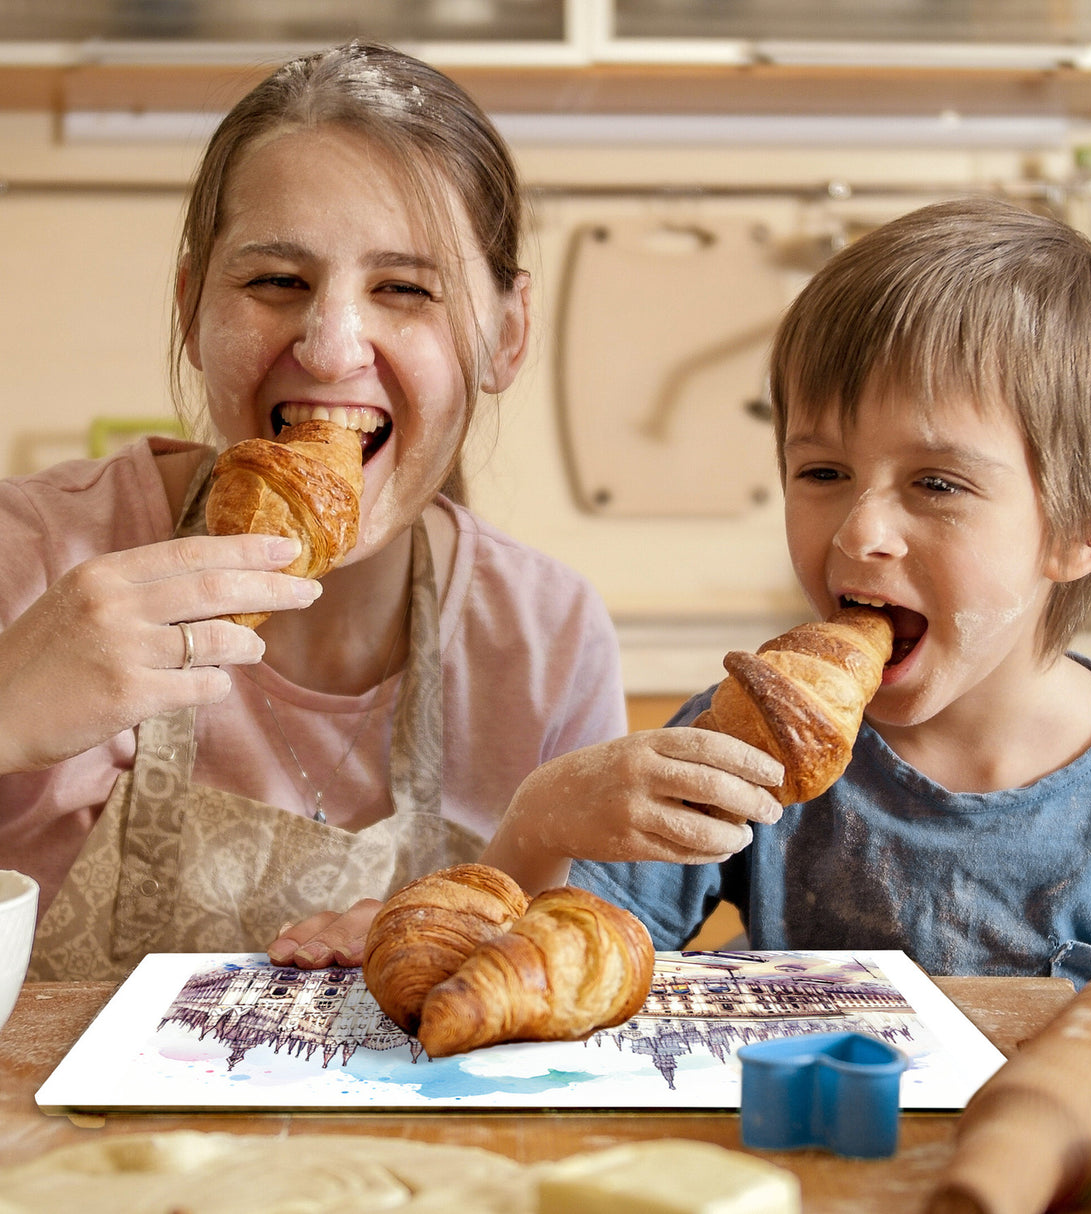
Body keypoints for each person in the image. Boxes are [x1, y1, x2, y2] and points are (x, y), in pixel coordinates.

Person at [2, 40, 633, 981]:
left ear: (506, 335)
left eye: (405, 289)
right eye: (275, 282)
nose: (334, 347)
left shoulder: (544, 639)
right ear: (190, 307)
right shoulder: (35, 557)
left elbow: (581, 987)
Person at [491, 196, 1091, 998]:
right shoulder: (747, 739)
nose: (859, 530)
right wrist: (540, 820)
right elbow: (551, 971)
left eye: (937, 483)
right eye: (824, 473)